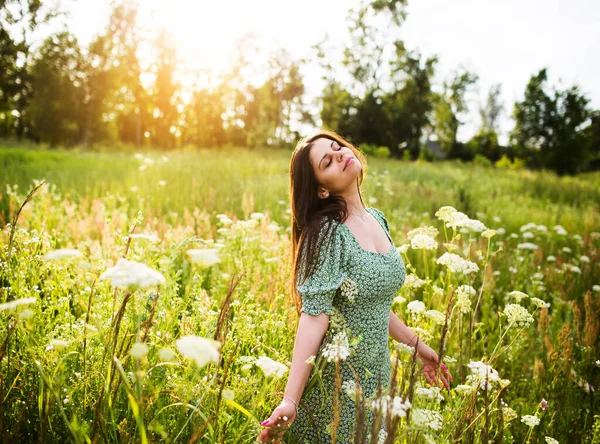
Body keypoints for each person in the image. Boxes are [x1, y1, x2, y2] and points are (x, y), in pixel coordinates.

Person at [258, 131, 452, 443]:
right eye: (328, 161)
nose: (340, 155)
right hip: (337, 386)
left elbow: (370, 305)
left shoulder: (377, 219)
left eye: (338, 148)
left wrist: (417, 347)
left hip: (376, 381)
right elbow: (313, 317)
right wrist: (290, 400)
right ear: (321, 189)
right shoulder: (326, 233)